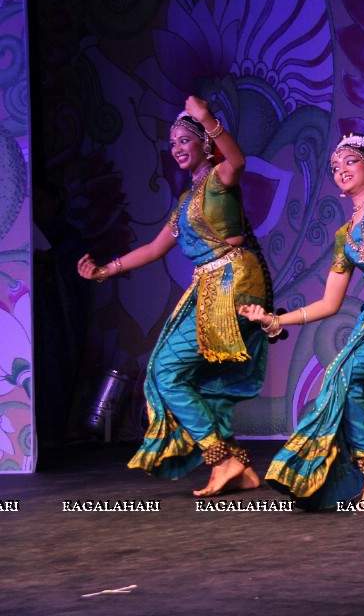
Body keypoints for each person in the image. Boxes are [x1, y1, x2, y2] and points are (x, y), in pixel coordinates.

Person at [239, 75, 364, 511]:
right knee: (343, 386)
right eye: (335, 166)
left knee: (345, 379)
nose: (341, 169)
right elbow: (329, 304)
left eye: (351, 161)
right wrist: (275, 320)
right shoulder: (345, 235)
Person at [77, 96, 272, 496]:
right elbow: (152, 249)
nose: (178, 148)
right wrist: (103, 270)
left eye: (186, 140)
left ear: (205, 144)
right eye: (173, 143)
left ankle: (224, 459)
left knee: (166, 370)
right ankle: (233, 462)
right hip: (208, 284)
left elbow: (238, 160)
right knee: (170, 372)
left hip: (233, 280)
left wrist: (205, 117)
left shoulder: (221, 177)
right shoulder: (184, 203)